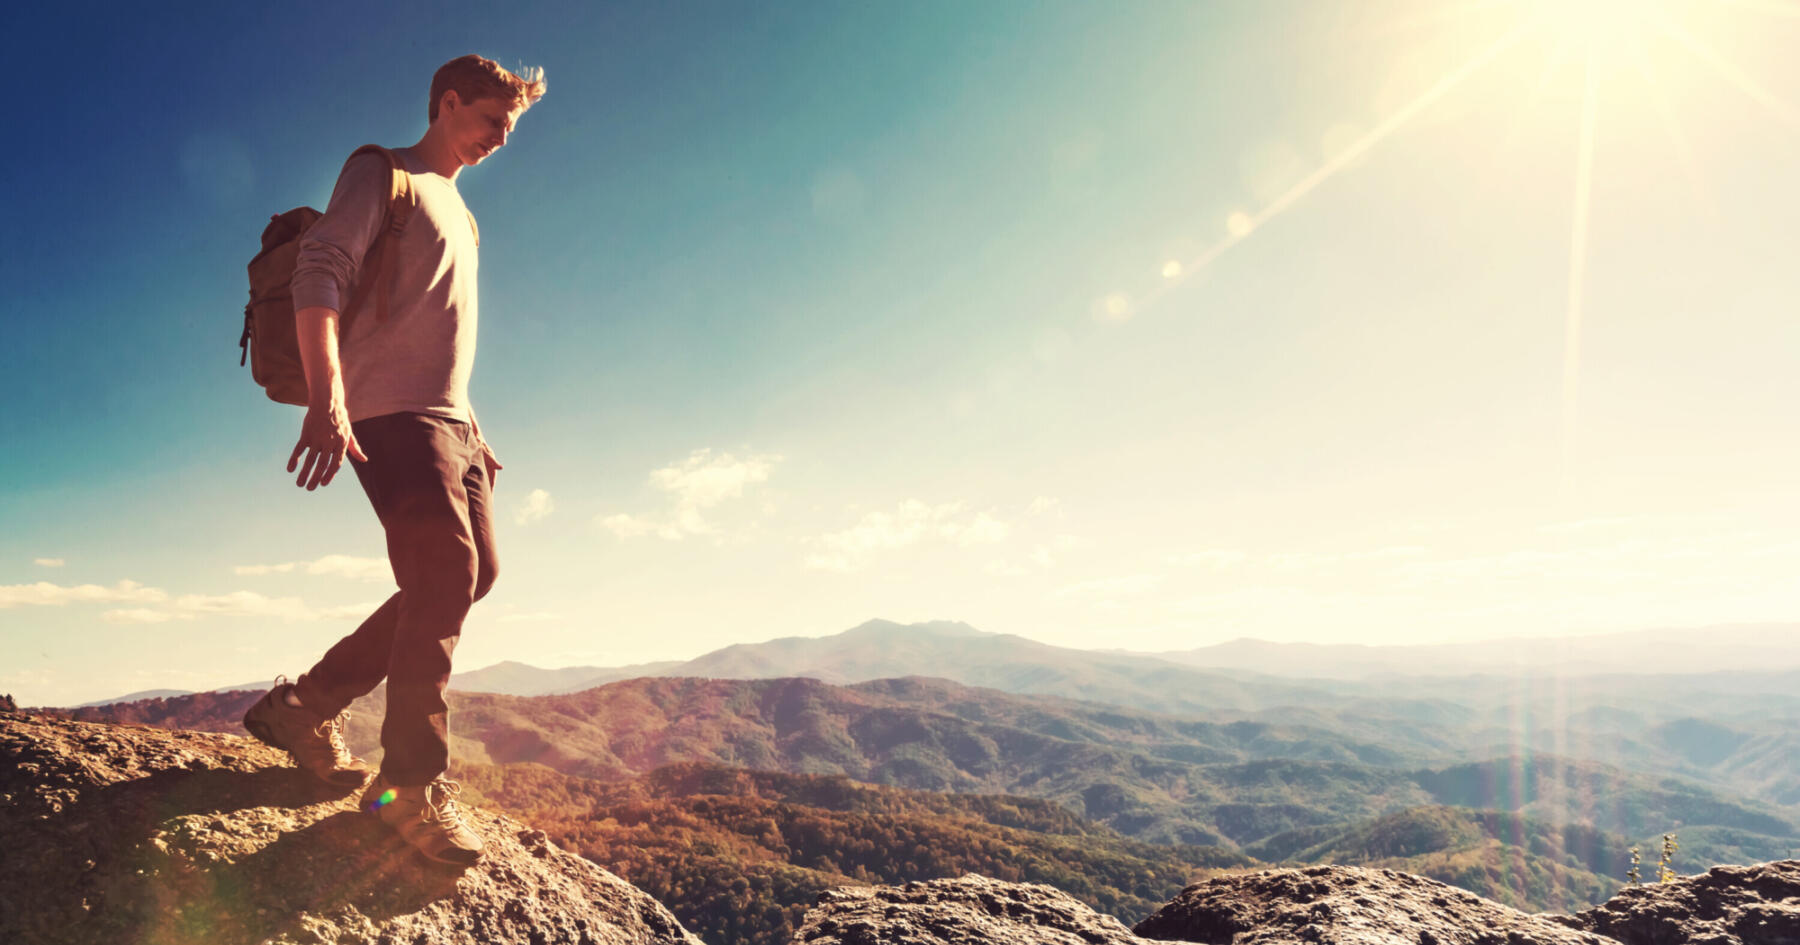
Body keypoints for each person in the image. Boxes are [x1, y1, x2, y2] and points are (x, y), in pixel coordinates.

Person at [240, 54, 545, 866]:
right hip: (384, 412)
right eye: (490, 121)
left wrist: (475, 422)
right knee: (444, 569)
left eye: (509, 129)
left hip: (450, 420)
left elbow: (434, 327)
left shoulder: (464, 217)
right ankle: (406, 788)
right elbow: (322, 269)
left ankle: (303, 705)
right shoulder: (384, 173)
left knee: (471, 574)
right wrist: (327, 397)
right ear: (448, 103)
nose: (499, 139)